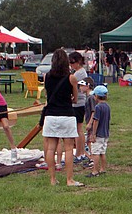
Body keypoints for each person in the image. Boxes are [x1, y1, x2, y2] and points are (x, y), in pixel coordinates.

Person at [42, 49, 83, 187]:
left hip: (51, 115)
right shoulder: (71, 78)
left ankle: (53, 179)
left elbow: (48, 95)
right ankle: (69, 179)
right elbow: (75, 99)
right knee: (69, 148)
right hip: (66, 114)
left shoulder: (46, 76)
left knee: (50, 148)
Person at [85, 86, 110, 178]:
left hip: (98, 134)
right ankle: (103, 169)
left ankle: (95, 171)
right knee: (102, 152)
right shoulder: (107, 106)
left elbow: (96, 121)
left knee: (95, 153)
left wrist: (93, 133)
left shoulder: (98, 107)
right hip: (105, 133)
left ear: (96, 96)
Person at [68, 51, 89, 164]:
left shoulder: (79, 74)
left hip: (78, 104)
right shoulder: (79, 72)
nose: (71, 65)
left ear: (78, 62)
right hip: (79, 103)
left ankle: (79, 153)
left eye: (72, 63)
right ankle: (80, 152)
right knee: (78, 129)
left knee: (78, 130)